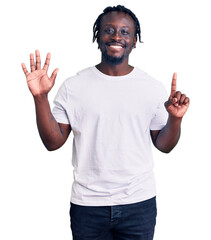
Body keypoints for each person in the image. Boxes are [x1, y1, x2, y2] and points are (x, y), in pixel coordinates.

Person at [21, 5, 189, 240]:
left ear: (134, 41)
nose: (117, 36)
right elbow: (53, 142)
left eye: (125, 32)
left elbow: (164, 145)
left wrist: (175, 119)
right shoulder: (74, 86)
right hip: (88, 205)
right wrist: (40, 98)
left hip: (138, 203)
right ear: (97, 37)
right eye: (109, 30)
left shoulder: (151, 87)